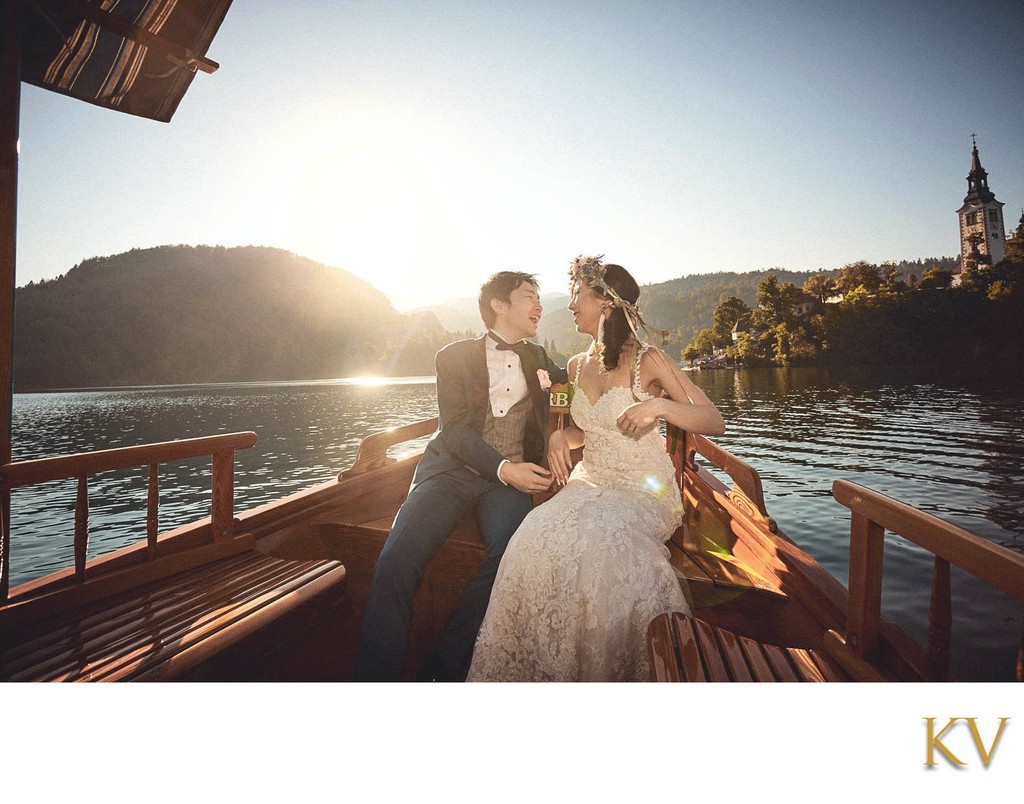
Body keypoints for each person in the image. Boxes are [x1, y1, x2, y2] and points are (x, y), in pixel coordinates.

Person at [467, 255, 725, 681]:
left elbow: (712, 420)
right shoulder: (573, 365)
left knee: (600, 545)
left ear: (605, 303)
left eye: (576, 296)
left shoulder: (649, 360)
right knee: (531, 535)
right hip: (591, 482)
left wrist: (659, 405)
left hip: (644, 488)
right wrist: (557, 436)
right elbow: (579, 433)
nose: (569, 306)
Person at [355, 271, 568, 682]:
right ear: (499, 305)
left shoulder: (540, 358)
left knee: (510, 554)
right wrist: (507, 469)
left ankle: (442, 670)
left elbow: (574, 386)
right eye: (529, 297)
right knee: (396, 559)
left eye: (540, 298)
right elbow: (454, 431)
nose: (539, 306)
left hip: (505, 486)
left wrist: (558, 430)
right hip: (450, 473)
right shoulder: (452, 356)